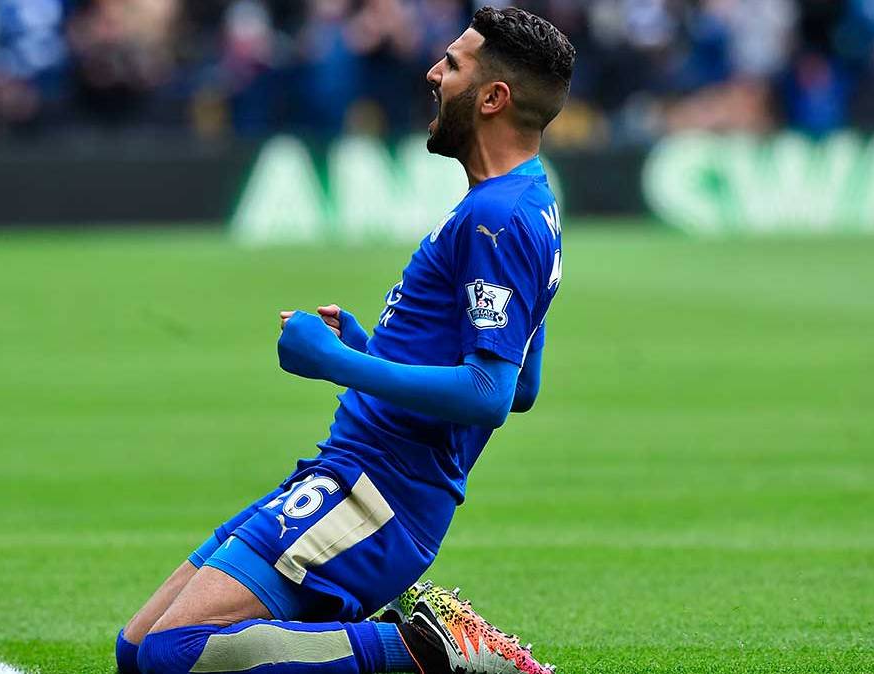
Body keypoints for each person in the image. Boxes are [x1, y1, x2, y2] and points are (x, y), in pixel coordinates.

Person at [116, 7, 574, 674]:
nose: (432, 72)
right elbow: (524, 382)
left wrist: (336, 362)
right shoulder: (525, 200)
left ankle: (429, 652)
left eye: (452, 64)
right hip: (351, 472)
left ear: (493, 97)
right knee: (136, 652)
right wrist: (374, 350)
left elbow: (491, 392)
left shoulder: (496, 217)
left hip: (378, 495)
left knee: (172, 656)